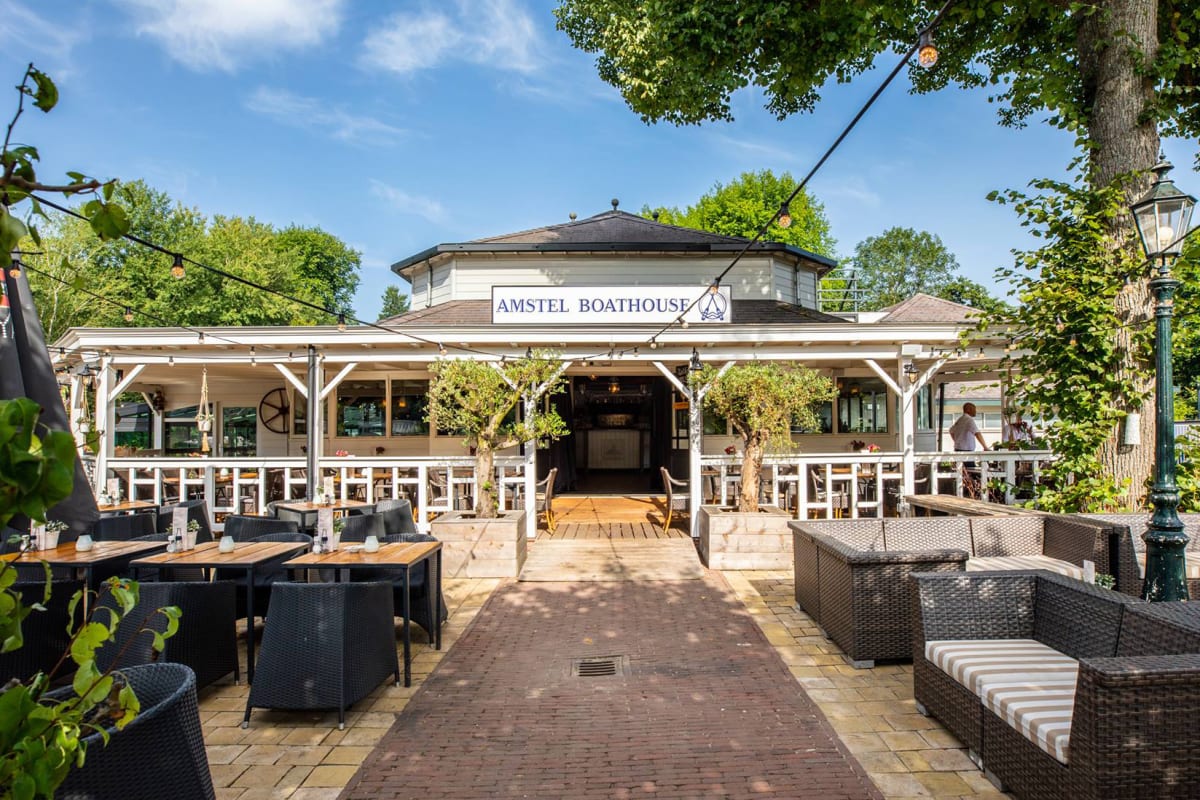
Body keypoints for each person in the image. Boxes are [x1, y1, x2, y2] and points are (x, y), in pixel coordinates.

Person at [949, 403, 988, 498]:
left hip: (958, 450)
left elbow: (951, 431)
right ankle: (972, 495)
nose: (976, 411)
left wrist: (957, 441)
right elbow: (977, 433)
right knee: (971, 475)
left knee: (962, 475)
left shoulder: (960, 420)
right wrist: (985, 447)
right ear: (969, 409)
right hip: (967, 452)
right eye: (974, 409)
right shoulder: (969, 420)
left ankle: (964, 494)